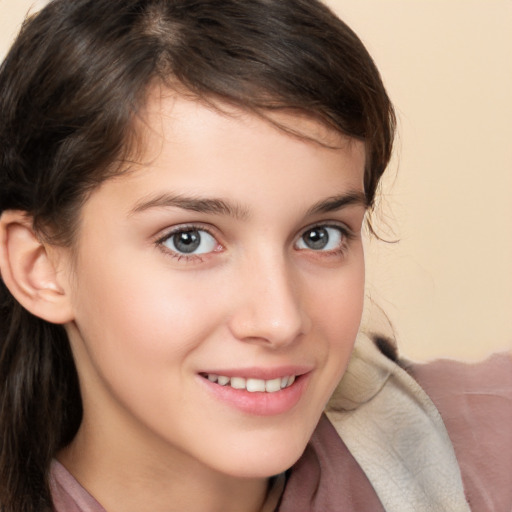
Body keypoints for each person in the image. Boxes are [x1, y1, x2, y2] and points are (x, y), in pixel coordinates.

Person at [0, 1, 510, 511]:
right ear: (40, 268)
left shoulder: (480, 450)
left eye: (320, 236)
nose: (280, 320)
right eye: (189, 240)